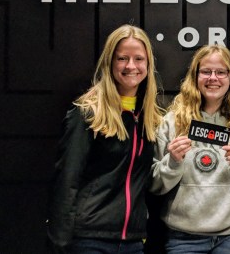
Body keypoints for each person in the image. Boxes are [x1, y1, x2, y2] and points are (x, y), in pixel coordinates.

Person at [46, 24, 164, 253]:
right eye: (122, 58)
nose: (131, 66)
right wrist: (59, 241)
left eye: (139, 59)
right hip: (90, 239)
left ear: (148, 64)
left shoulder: (150, 118)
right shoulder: (87, 113)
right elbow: (67, 179)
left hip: (133, 242)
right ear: (110, 62)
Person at [150, 44, 230, 253]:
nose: (213, 78)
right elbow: (155, 186)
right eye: (206, 72)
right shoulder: (172, 122)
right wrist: (172, 162)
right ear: (195, 76)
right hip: (183, 236)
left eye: (221, 72)